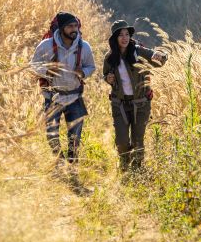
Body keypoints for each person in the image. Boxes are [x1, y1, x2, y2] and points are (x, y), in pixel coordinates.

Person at [31, 12, 96, 164]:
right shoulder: (46, 45)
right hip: (52, 97)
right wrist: (47, 71)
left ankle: (72, 167)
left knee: (75, 137)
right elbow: (33, 65)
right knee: (52, 135)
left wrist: (84, 72)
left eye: (76, 26)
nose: (74, 29)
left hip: (75, 97)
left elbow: (91, 66)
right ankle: (59, 163)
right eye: (70, 26)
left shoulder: (84, 47)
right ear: (61, 28)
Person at [102, 20, 167, 171]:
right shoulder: (110, 57)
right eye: (120, 35)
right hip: (120, 105)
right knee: (122, 141)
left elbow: (159, 59)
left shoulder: (138, 51)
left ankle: (137, 170)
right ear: (114, 38)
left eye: (127, 34)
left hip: (141, 103)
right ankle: (124, 168)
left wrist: (161, 55)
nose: (124, 38)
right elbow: (105, 74)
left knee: (138, 141)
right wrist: (107, 78)